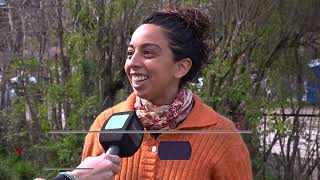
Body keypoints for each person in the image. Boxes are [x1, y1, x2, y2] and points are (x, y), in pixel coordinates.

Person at [81, 7, 252, 180]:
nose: (133, 63)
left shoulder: (222, 137)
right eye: (130, 53)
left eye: (148, 53)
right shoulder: (104, 123)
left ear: (181, 67)